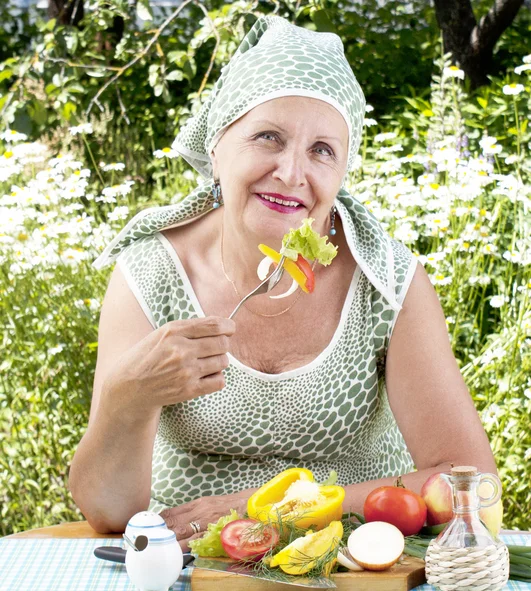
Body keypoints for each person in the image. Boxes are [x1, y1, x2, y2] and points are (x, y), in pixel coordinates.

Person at [69, 16, 497, 551]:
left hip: (350, 561)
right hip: (188, 568)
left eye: (322, 150)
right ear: (218, 145)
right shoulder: (151, 274)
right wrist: (126, 397)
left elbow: (469, 481)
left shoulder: (386, 283)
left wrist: (269, 510)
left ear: (342, 172)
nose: (292, 173)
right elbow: (108, 513)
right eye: (268, 137)